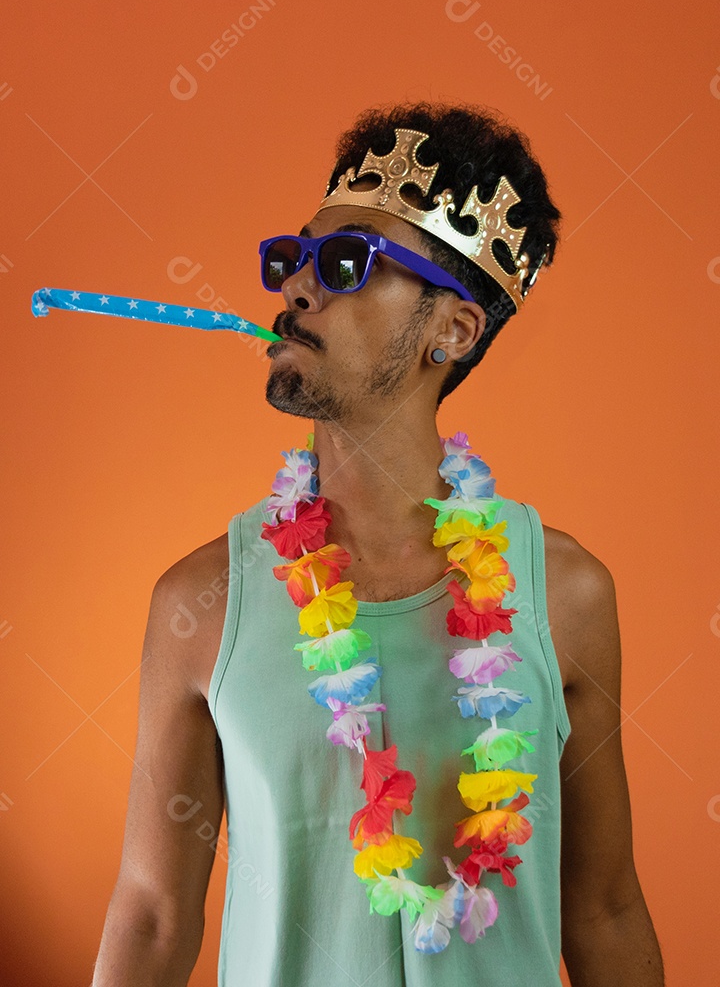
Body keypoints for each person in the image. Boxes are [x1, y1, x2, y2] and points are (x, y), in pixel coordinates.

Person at [92, 101, 664, 986]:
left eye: (347, 262)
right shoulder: (199, 605)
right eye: (293, 259)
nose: (296, 288)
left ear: (454, 330)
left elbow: (604, 908)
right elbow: (154, 918)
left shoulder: (565, 593)